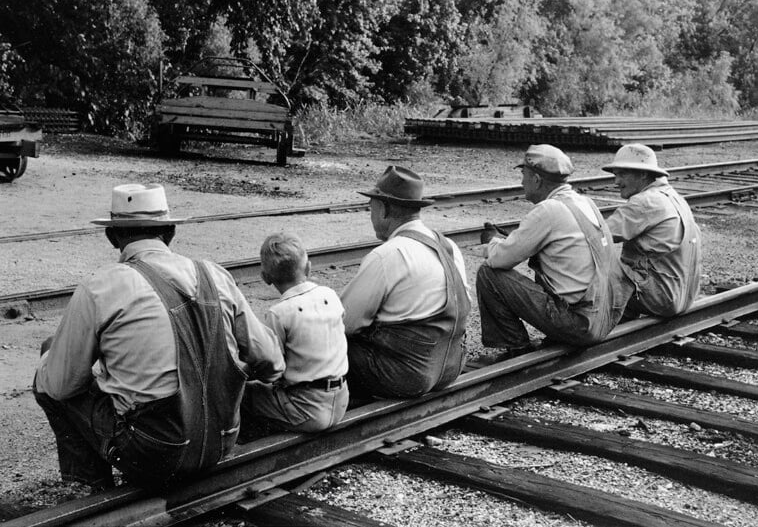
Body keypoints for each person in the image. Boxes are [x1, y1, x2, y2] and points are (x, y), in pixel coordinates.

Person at [33, 183, 285, 490]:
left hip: (153, 454)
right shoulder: (215, 275)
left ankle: (91, 488)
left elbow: (61, 386)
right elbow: (271, 360)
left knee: (48, 373)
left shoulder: (101, 286)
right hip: (221, 442)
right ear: (171, 232)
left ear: (112, 236)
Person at [477, 144, 633, 352]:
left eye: (524, 175)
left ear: (536, 179)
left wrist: (492, 243)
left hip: (578, 325)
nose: (522, 181)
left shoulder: (548, 210)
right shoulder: (585, 202)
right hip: (604, 318)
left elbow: (499, 260)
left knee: (488, 275)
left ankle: (516, 347)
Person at [340, 165, 471, 398]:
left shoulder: (388, 254)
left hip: (404, 376)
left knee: (325, 343)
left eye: (372, 207)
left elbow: (345, 323)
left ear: (385, 208)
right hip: (451, 367)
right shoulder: (448, 246)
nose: (371, 215)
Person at [240, 232, 348, 434]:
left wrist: (243, 373)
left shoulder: (279, 313)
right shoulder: (330, 294)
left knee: (243, 394)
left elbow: (271, 368)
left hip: (307, 409)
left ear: (265, 278)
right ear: (308, 267)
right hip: (340, 400)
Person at [602, 143, 701, 317]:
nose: (616, 182)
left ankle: (582, 333)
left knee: (590, 272)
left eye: (622, 174)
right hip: (684, 295)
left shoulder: (645, 202)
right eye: (616, 175)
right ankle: (621, 320)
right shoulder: (674, 197)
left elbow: (600, 236)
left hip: (661, 298)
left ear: (643, 174)